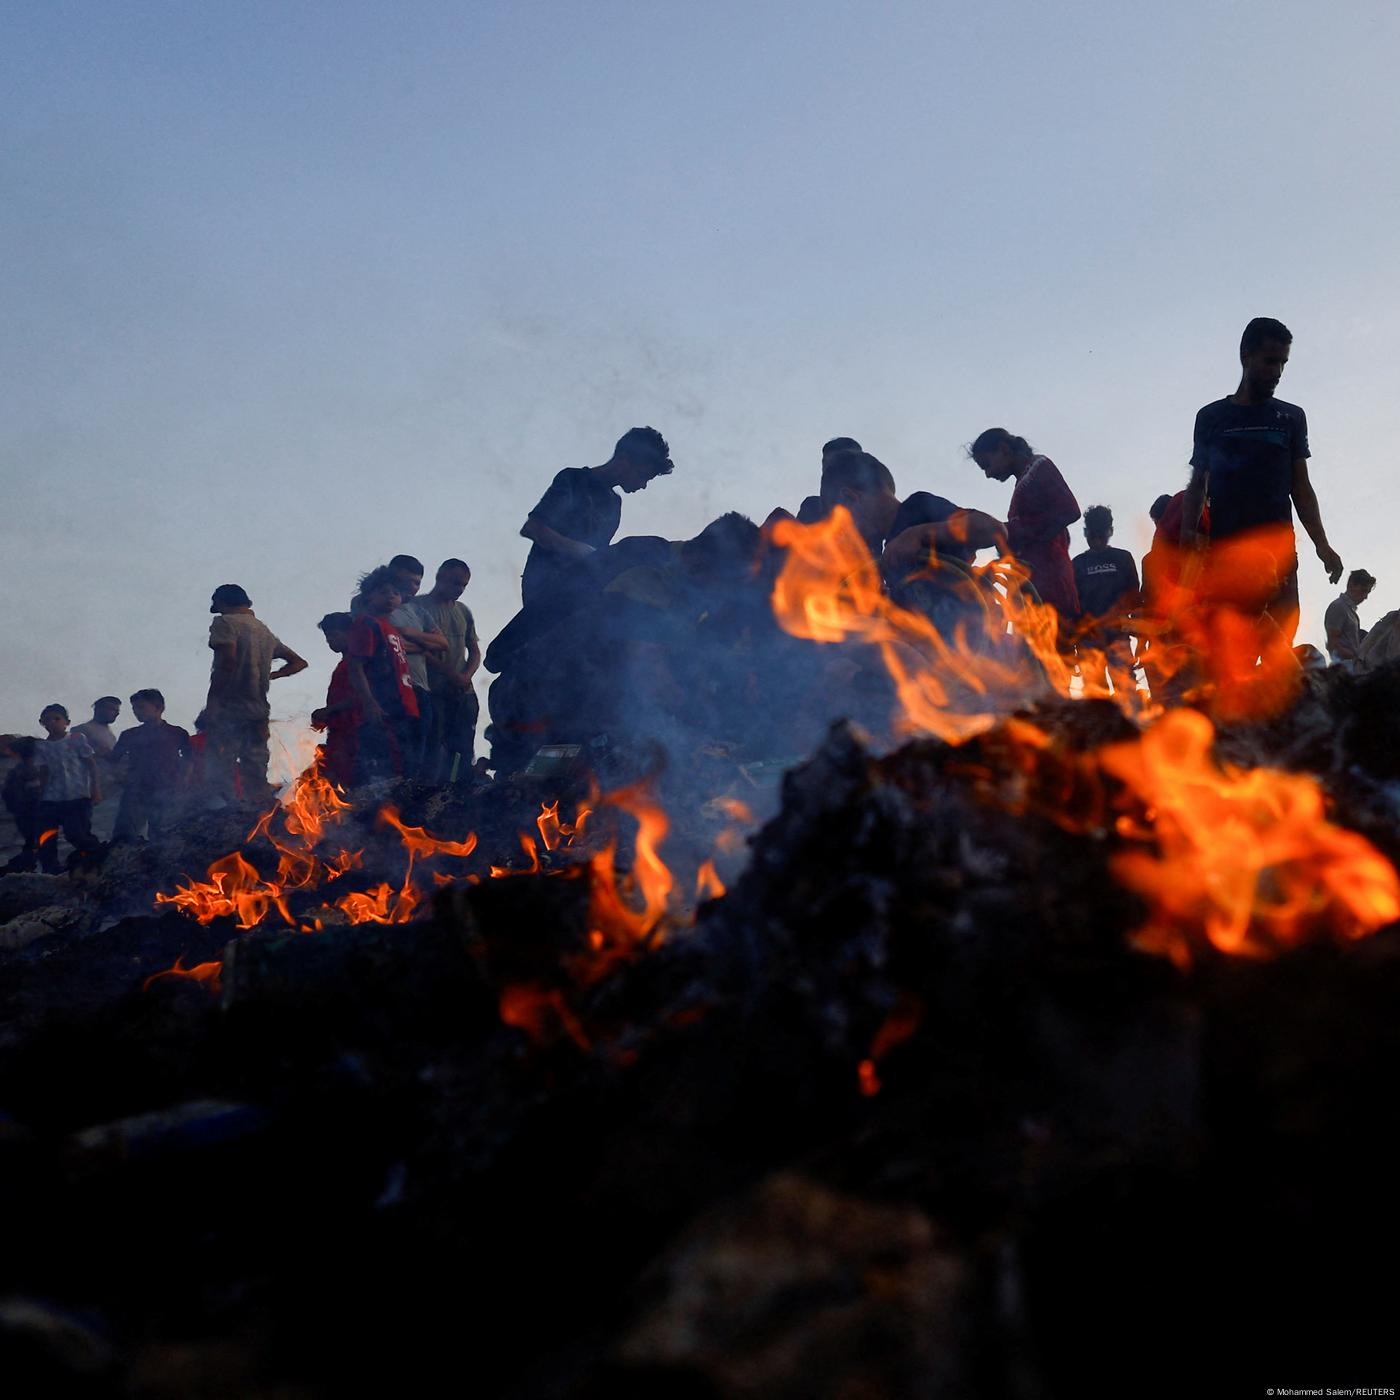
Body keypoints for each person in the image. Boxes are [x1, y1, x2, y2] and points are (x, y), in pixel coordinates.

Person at [1181, 317, 1343, 642]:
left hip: (1278, 556)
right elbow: (1199, 483)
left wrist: (1322, 545)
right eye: (1270, 361)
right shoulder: (1211, 418)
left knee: (1279, 654)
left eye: (1283, 362)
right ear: (1245, 356)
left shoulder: (1290, 418)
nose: (1278, 372)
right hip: (1228, 556)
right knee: (1230, 656)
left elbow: (1301, 486)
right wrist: (1187, 538)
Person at [520, 426, 674, 605]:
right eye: (642, 475)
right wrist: (582, 551)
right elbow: (532, 528)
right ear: (624, 460)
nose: (643, 485)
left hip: (580, 594)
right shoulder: (573, 479)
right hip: (544, 588)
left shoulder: (614, 504)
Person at [203, 584, 308, 804]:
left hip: (230, 707)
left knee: (221, 762)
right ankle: (258, 812)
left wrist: (213, 703)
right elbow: (299, 663)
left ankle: (223, 813)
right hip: (258, 709)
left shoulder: (225, 622)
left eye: (217, 604)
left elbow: (227, 662)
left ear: (222, 602)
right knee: (255, 766)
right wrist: (272, 675)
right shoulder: (262, 631)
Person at [969, 428, 1082, 624]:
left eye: (987, 464)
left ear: (1004, 449)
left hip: (1051, 591)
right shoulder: (1024, 481)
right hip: (1031, 591)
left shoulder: (1040, 467)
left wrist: (1012, 530)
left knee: (1055, 651)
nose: (988, 474)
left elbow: (1069, 510)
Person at [345, 566, 420, 783]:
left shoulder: (391, 629)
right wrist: (369, 702)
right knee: (380, 763)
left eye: (395, 593)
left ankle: (397, 806)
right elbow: (356, 666)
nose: (390, 597)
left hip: (403, 706)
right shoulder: (366, 625)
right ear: (369, 596)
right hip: (382, 705)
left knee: (404, 762)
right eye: (383, 592)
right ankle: (374, 807)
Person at [412, 560, 482, 782]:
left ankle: (459, 793)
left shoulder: (463, 611)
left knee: (463, 749)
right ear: (440, 576)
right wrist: (451, 674)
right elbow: (419, 651)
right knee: (434, 747)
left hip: (464, 692)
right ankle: (433, 796)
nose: (458, 589)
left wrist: (465, 676)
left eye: (463, 585)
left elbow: (475, 650)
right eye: (454, 583)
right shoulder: (417, 607)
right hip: (434, 690)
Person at [1072, 505, 1141, 690]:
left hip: (1118, 634)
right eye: (1092, 535)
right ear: (1086, 533)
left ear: (1110, 531)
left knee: (1126, 687)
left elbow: (1134, 595)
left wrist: (1137, 629)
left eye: (1100, 535)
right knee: (1095, 692)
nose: (1096, 540)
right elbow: (1073, 603)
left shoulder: (1123, 558)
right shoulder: (1077, 564)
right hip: (1089, 636)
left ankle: (1131, 719)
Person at [110, 690, 191, 841]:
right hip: (135, 790)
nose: (136, 712)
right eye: (134, 708)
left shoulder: (177, 733)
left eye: (141, 707)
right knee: (124, 833)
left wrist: (184, 780)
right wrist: (120, 777)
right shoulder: (129, 735)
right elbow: (114, 760)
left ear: (158, 707)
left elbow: (189, 760)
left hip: (167, 789)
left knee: (163, 835)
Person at [34, 704, 104, 870]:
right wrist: (40, 795)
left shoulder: (76, 739)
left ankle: (98, 857)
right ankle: (51, 870)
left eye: (56, 719)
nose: (52, 723)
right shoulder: (42, 746)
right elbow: (43, 771)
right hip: (51, 798)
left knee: (77, 834)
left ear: (66, 722)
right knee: (46, 836)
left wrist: (96, 789)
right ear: (42, 723)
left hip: (77, 796)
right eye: (47, 720)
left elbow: (91, 765)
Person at [311, 613, 360, 789]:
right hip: (340, 733)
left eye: (334, 635)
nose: (330, 641)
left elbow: (361, 696)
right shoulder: (344, 664)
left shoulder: (357, 664)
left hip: (353, 733)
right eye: (327, 637)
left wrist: (329, 711)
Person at [2, 737, 46, 873]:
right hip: (29, 812)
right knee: (33, 840)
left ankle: (26, 864)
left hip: (26, 812)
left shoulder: (19, 771)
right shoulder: (25, 771)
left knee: (32, 841)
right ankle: (26, 865)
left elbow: (8, 794)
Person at [1324, 569, 1377, 664]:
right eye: (1364, 591)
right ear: (1352, 585)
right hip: (1344, 667)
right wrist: (1357, 657)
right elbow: (1333, 644)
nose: (1365, 597)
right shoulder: (1338, 607)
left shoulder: (1350, 612)